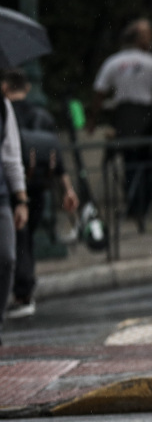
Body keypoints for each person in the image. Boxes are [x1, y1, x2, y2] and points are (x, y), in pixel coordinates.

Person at [2, 70, 79, 318]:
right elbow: (56, 155)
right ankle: (24, 290)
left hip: (14, 190)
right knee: (26, 240)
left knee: (18, 242)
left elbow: (11, 157)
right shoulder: (42, 115)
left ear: (5, 86)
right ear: (26, 87)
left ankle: (22, 292)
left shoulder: (7, 112)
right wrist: (67, 189)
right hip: (38, 187)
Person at [92, 18, 152, 230]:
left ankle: (134, 203)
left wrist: (92, 120)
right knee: (151, 160)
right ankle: (149, 202)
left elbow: (99, 92)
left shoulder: (113, 62)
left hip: (124, 119)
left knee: (130, 162)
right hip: (146, 119)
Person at [0, 89, 29, 344]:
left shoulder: (2, 105)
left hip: (1, 197)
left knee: (7, 258)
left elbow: (11, 156)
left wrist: (21, 199)